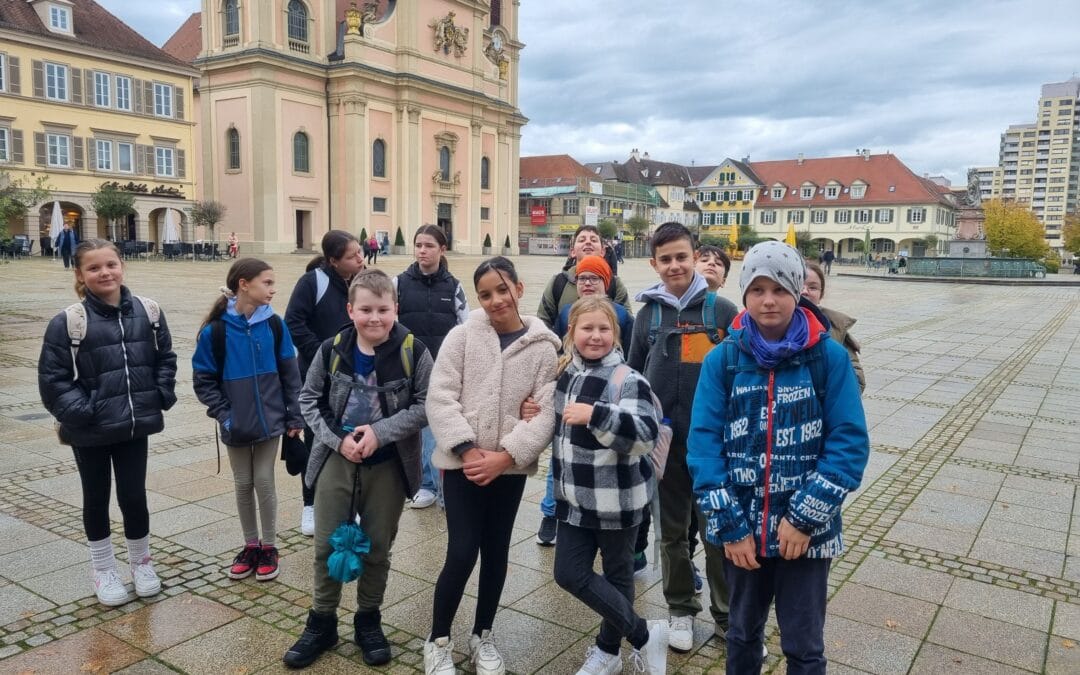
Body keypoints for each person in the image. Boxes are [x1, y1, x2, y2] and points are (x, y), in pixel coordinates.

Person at [687, 241, 870, 674]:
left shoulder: (827, 357)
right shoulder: (724, 360)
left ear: (797, 292)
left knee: (804, 647)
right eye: (758, 289)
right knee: (741, 636)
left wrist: (804, 518)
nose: (768, 300)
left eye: (780, 290)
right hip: (742, 535)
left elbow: (848, 445)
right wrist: (730, 526)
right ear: (745, 294)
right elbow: (704, 446)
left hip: (805, 539)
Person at [282, 268, 432, 668]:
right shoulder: (331, 349)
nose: (375, 318)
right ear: (350, 310)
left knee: (378, 547)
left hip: (387, 463)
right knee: (326, 544)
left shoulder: (413, 351)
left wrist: (380, 433)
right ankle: (322, 622)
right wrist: (339, 440)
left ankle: (368, 619)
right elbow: (310, 399)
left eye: (383, 310)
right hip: (337, 457)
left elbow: (425, 405)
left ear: (395, 309)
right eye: (365, 310)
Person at [423, 257, 560, 675]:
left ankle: (483, 633)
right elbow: (440, 396)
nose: (496, 300)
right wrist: (467, 450)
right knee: (462, 550)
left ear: (518, 288)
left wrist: (507, 456)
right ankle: (438, 639)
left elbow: (547, 412)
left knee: (497, 549)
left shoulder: (543, 346)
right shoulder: (463, 336)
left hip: (508, 467)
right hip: (462, 465)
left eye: (502, 290)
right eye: (485, 294)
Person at [38, 239, 177, 606]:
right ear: (80, 274)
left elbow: (165, 357)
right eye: (94, 267)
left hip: (134, 424)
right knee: (96, 498)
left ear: (122, 266)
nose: (105, 273)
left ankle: (141, 563)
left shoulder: (148, 312)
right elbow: (53, 381)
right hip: (91, 430)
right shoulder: (68, 321)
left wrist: (160, 393)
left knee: (134, 496)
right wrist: (85, 412)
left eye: (111, 265)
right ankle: (103, 568)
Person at [626, 222, 739, 653]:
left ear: (695, 256)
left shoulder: (722, 312)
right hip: (664, 447)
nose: (674, 265)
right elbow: (632, 378)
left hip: (713, 447)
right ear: (653, 263)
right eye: (665, 259)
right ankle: (680, 609)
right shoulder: (647, 316)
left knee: (718, 533)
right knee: (671, 534)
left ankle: (728, 617)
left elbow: (742, 375)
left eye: (681, 257)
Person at [551, 296, 669, 675]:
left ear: (615, 334)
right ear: (572, 332)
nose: (596, 336)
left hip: (617, 502)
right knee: (568, 573)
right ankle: (644, 633)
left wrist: (596, 415)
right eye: (587, 328)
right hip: (573, 500)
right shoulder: (565, 373)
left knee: (618, 576)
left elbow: (646, 435)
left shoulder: (627, 379)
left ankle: (608, 651)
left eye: (604, 329)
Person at [192, 259, 305, 584]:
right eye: (267, 282)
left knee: (264, 480)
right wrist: (225, 416)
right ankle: (250, 545)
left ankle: (269, 547)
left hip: (271, 420)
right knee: (243, 483)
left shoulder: (275, 325)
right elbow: (203, 380)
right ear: (244, 284)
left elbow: (291, 374)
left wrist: (294, 415)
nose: (273, 289)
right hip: (236, 424)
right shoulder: (216, 331)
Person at [537, 255, 634, 546]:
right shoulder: (567, 311)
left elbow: (630, 352)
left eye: (595, 278)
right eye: (582, 278)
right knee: (561, 454)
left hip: (607, 391)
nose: (587, 283)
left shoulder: (622, 314)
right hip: (572, 383)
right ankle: (551, 512)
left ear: (606, 283)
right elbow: (557, 344)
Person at [284, 231, 365, 536]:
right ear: (333, 261)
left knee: (352, 439)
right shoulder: (312, 283)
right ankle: (310, 504)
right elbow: (293, 322)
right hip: (317, 379)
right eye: (352, 256)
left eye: (360, 252)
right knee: (317, 443)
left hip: (354, 379)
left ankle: (349, 505)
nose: (360, 259)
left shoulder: (360, 281)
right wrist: (322, 354)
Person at [394, 225, 469, 509]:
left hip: (444, 368)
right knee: (419, 429)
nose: (422, 251)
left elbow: (465, 327)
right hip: (409, 368)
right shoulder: (399, 283)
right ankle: (425, 484)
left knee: (441, 428)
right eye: (418, 245)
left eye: (429, 245)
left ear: (442, 249)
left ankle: (443, 487)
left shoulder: (454, 286)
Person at [536, 225, 633, 333]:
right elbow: (542, 323)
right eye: (582, 240)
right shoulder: (558, 282)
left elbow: (627, 325)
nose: (588, 242)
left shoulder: (615, 283)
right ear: (572, 251)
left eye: (593, 240)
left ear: (603, 251)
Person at [803, 262, 866, 393]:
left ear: (821, 295)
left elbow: (857, 379)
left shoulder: (836, 328)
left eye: (813, 288)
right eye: (798, 285)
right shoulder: (771, 327)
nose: (804, 291)